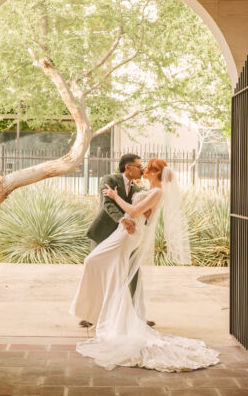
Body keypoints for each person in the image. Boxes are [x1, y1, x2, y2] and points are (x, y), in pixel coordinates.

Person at [70, 158, 220, 372]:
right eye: (141, 167)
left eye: (147, 168)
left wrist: (114, 196)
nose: (143, 170)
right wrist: (133, 208)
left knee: (94, 261)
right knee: (112, 271)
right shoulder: (148, 189)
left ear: (155, 172)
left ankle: (114, 315)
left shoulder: (157, 191)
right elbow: (144, 210)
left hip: (128, 233)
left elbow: (133, 210)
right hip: (124, 231)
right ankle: (105, 312)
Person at [77, 153, 154, 328]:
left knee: (133, 273)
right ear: (128, 167)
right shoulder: (109, 179)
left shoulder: (137, 189)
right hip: (104, 234)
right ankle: (90, 315)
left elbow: (142, 209)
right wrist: (123, 220)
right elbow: (108, 204)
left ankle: (138, 315)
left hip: (126, 237)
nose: (142, 170)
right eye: (139, 166)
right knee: (96, 269)